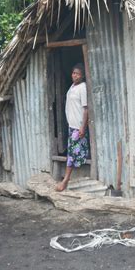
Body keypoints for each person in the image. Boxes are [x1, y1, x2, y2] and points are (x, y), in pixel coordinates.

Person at [55, 63, 89, 191]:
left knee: (71, 154)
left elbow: (86, 109)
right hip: (72, 125)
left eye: (78, 73)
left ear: (82, 75)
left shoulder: (82, 87)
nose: (75, 75)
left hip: (78, 126)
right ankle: (68, 180)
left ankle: (65, 181)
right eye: (74, 73)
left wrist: (83, 127)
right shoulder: (72, 86)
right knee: (73, 152)